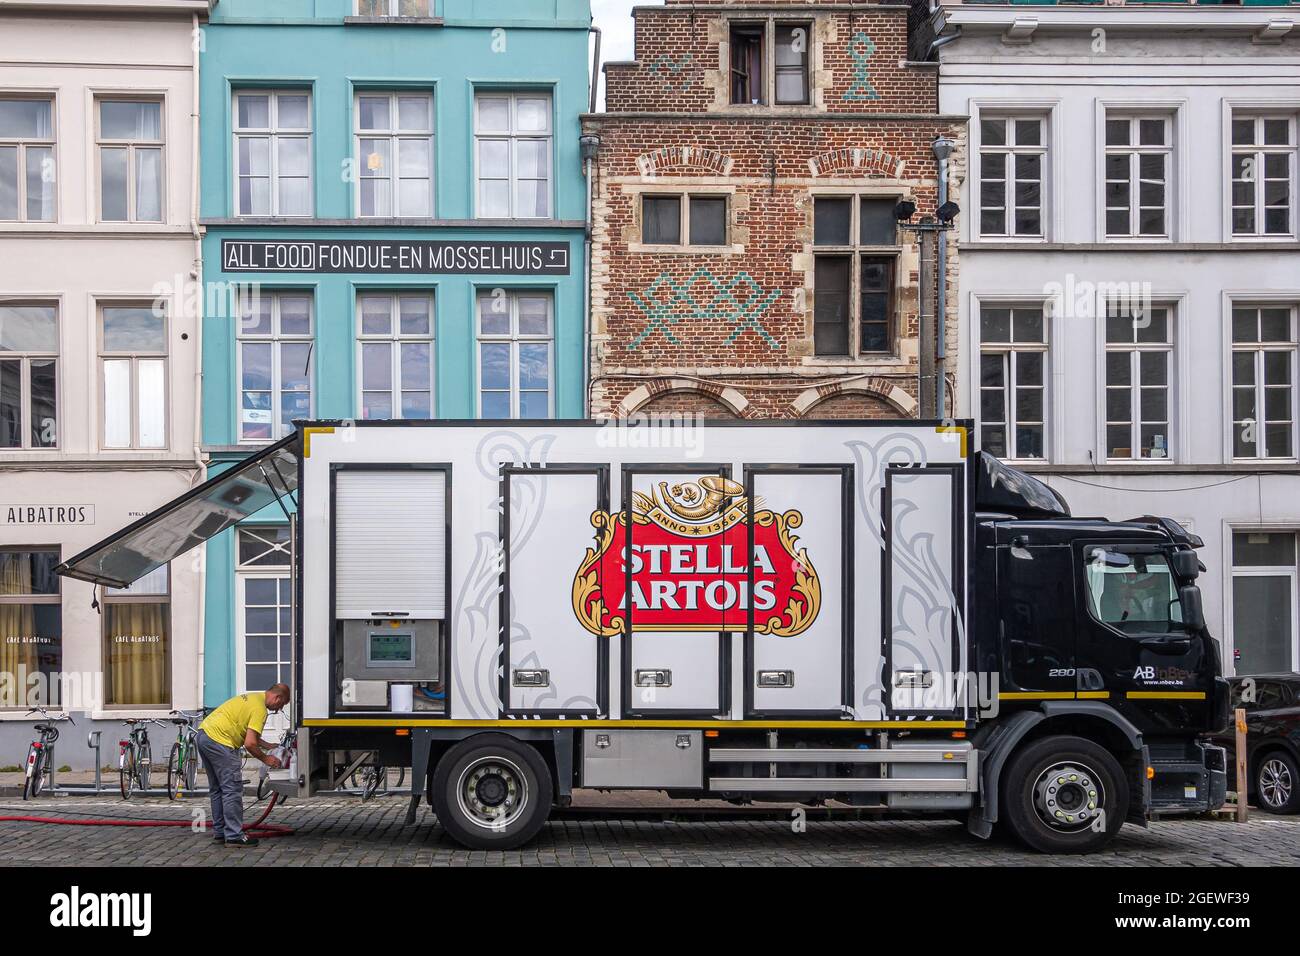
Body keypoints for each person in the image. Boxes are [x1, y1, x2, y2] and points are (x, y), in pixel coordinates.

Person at [196, 683, 289, 847]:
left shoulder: (253, 698)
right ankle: (233, 836)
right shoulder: (260, 709)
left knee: (218, 788)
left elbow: (248, 731)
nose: (277, 710)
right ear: (277, 697)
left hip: (205, 735)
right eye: (280, 705)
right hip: (221, 741)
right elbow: (250, 743)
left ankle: (220, 832)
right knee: (232, 789)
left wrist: (267, 745)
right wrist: (266, 759)